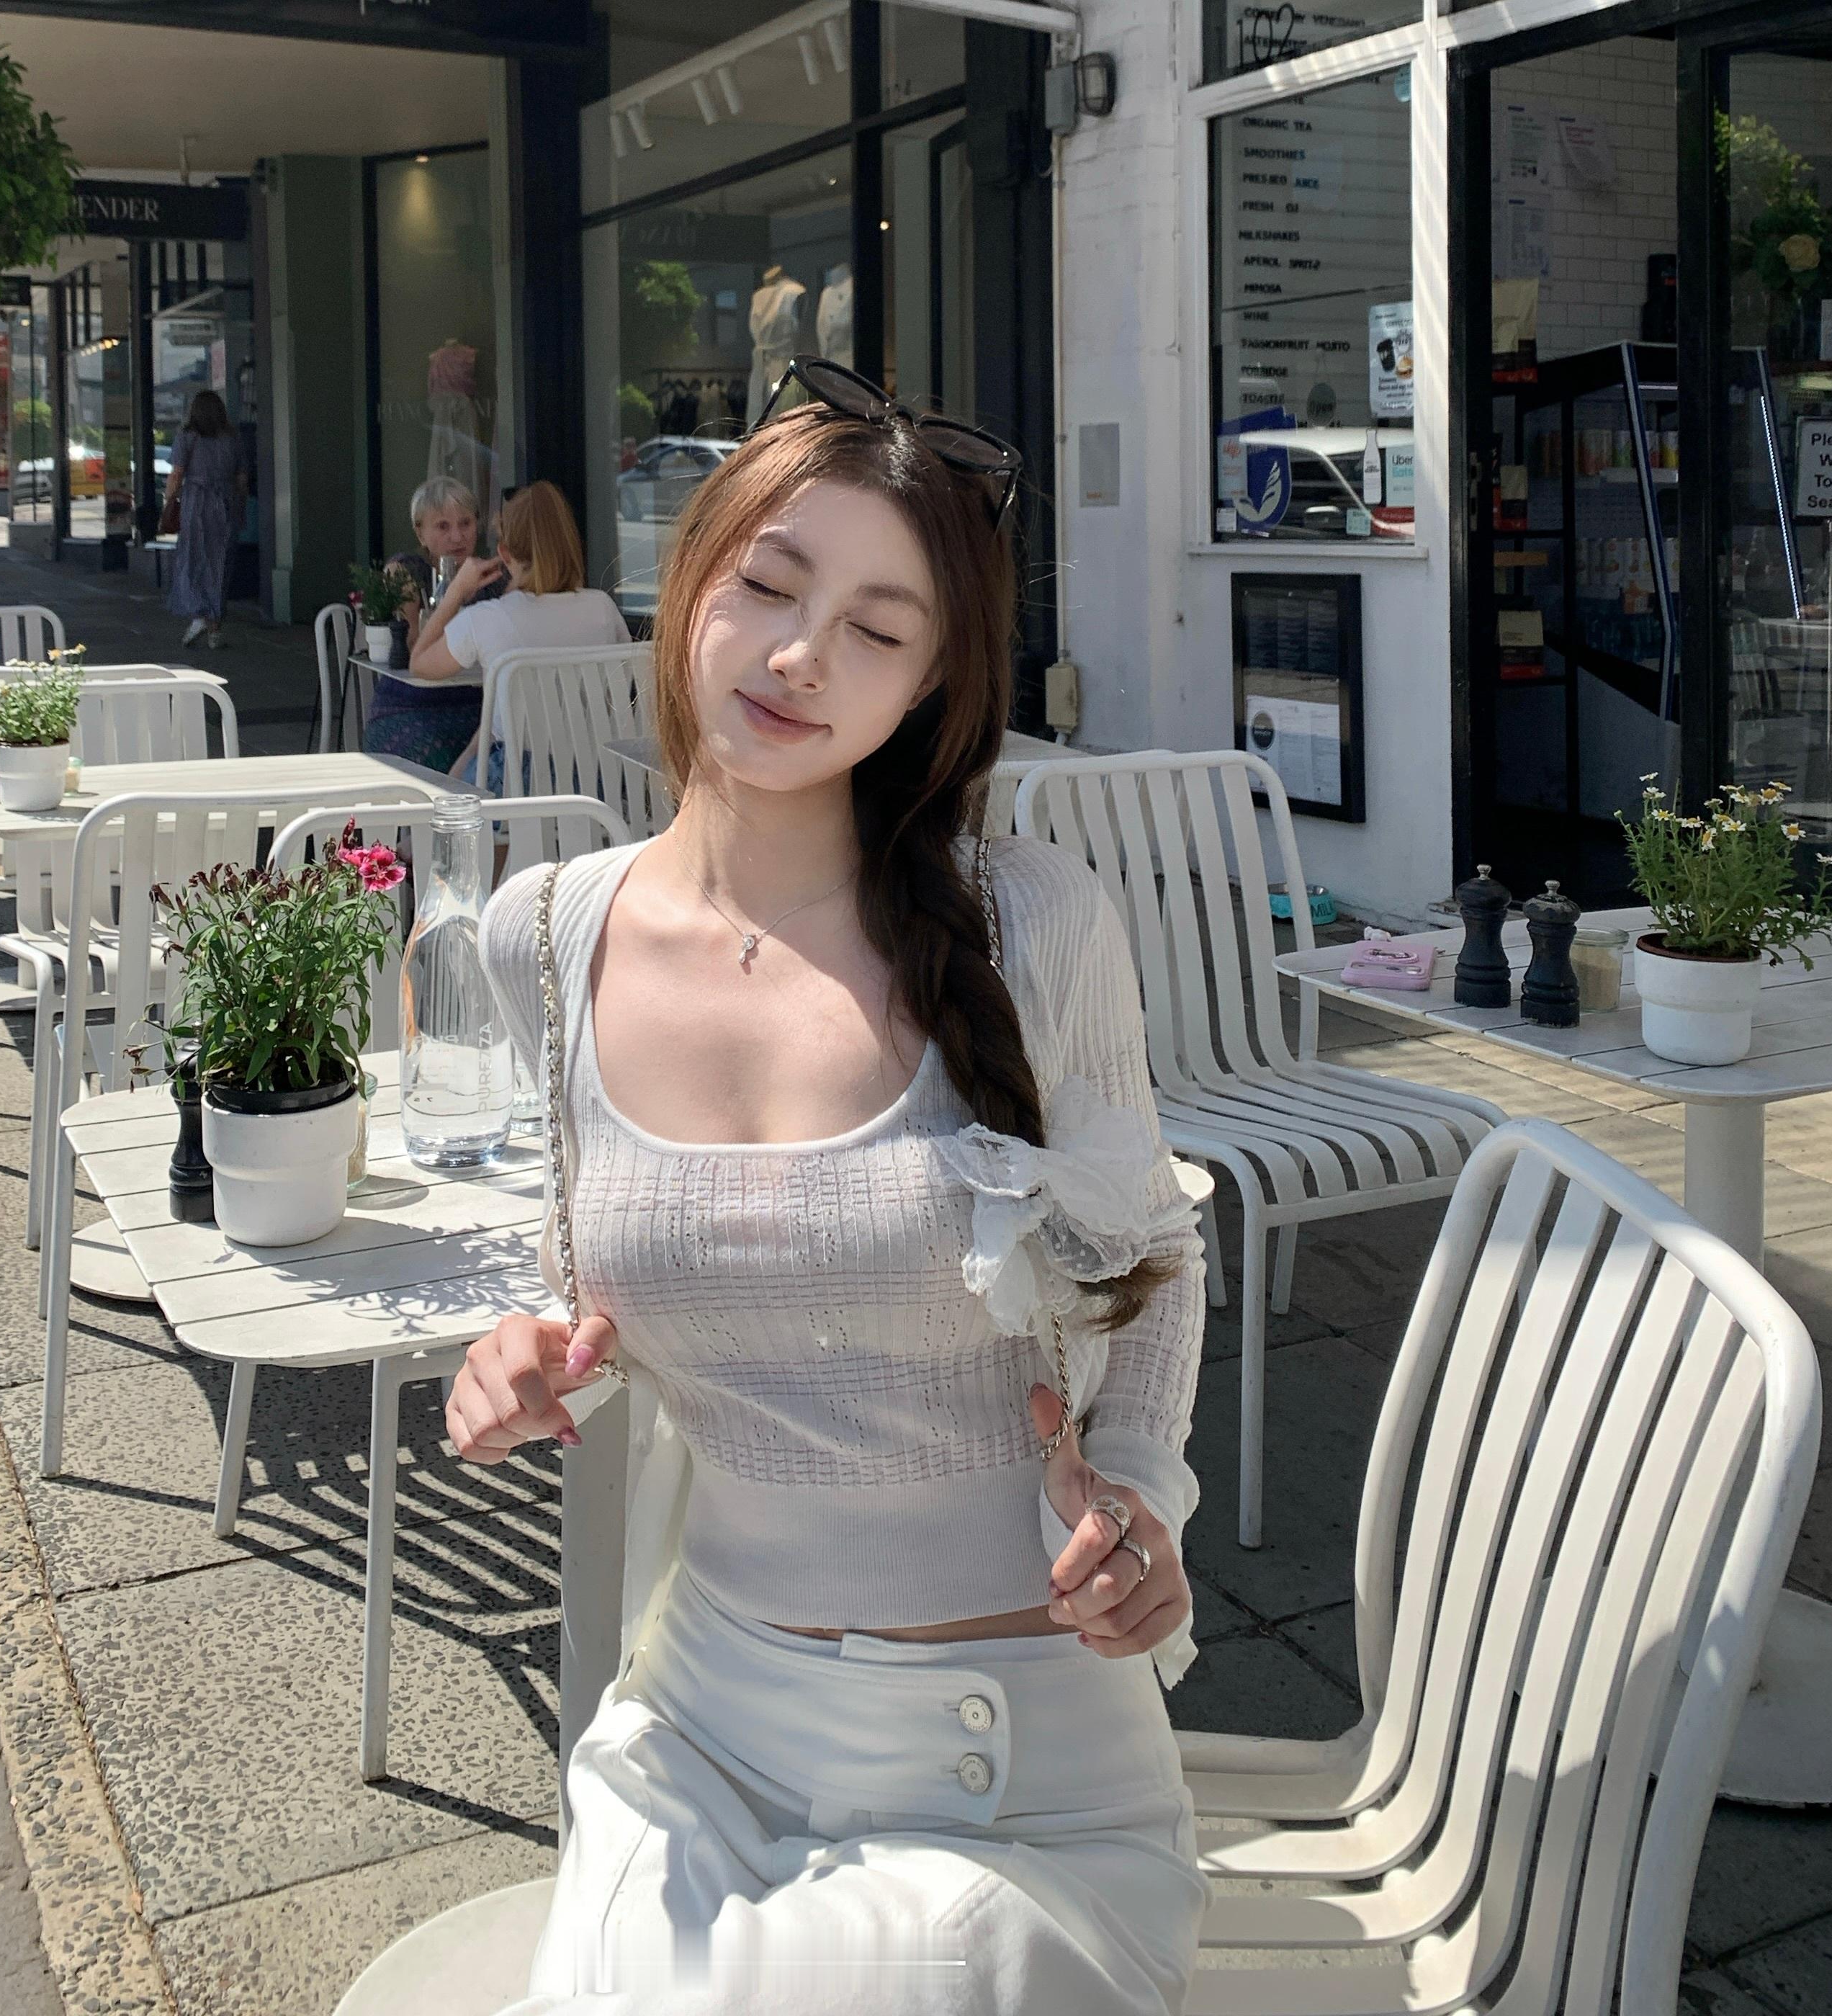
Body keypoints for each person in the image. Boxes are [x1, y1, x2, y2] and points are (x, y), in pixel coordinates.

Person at [447, 369, 1205, 2015]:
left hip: (1018, 1768)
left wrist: (1141, 1495)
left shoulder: (1031, 927)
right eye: (771, 585)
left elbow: (1154, 1249)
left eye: (876, 630)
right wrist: (525, 1352)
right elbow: (596, 1282)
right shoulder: (545, 936)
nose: (800, 656)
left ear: (932, 684)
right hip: (702, 1733)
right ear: (688, 581)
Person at [410, 478, 628, 782]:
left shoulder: (486, 618)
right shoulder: (603, 608)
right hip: (594, 781)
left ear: (505, 553)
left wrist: (455, 592)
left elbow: (419, 663)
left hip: (516, 785)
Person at [361, 477, 488, 771]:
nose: (457, 537)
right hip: (412, 705)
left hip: (479, 707)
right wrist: (455, 595)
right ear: (420, 532)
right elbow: (412, 646)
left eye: (466, 523)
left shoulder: (491, 575)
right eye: (443, 526)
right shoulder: (406, 571)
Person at [159, 390, 247, 650]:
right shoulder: (233, 438)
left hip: (197, 503)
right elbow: (242, 477)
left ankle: (198, 616)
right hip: (226, 503)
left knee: (194, 559)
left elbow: (177, 474)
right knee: (222, 563)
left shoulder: (187, 436)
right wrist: (239, 507)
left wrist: (169, 500)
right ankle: (215, 628)